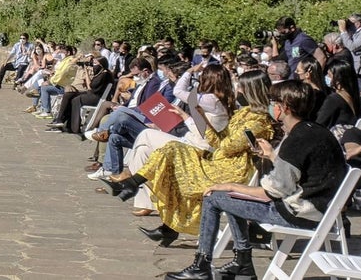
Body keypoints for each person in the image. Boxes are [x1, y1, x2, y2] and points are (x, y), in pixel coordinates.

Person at [162, 81, 347, 280]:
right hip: (320, 208)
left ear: (284, 107)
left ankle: (202, 265)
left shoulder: (296, 139)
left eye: (273, 102)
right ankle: (242, 263)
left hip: (299, 212)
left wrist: (230, 185)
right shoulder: (317, 131)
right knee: (231, 198)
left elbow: (271, 192)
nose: (270, 106)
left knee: (213, 197)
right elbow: (302, 171)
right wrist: (272, 156)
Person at [106, 70, 274, 247]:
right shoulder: (243, 112)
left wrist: (199, 118)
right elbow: (218, 141)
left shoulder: (258, 121)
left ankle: (144, 200)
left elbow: (227, 147)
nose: (238, 89)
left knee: (177, 167)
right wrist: (201, 118)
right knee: (172, 148)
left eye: (242, 86)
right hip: (218, 160)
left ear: (251, 90)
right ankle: (135, 188)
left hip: (231, 168)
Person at [316, 58, 359, 130]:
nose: (326, 77)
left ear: (338, 79)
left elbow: (319, 122)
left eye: (329, 75)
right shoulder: (352, 96)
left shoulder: (334, 99)